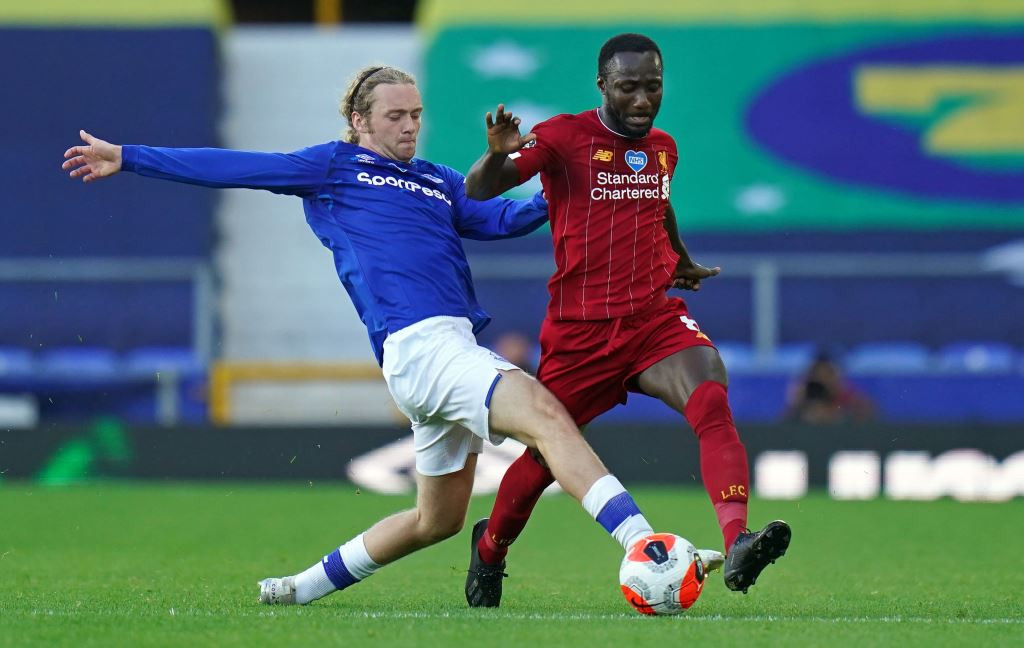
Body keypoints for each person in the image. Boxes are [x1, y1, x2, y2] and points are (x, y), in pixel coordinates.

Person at [62, 64, 721, 606]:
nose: (409, 127)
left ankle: (300, 588)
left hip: (442, 352)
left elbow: (500, 221)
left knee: (437, 521)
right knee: (549, 415)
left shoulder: (435, 180)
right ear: (359, 120)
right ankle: (644, 545)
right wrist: (128, 157)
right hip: (421, 345)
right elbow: (235, 165)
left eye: (415, 115)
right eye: (395, 117)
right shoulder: (333, 168)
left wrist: (570, 182)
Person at [462, 34, 791, 605]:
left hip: (652, 320)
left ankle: (738, 541)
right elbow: (479, 191)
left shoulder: (663, 146)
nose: (643, 100)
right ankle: (489, 549)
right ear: (602, 86)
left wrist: (679, 258)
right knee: (544, 460)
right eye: (629, 88)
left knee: (711, 396)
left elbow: (658, 201)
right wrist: (496, 152)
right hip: (581, 332)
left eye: (653, 87)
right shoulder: (564, 137)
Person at [785, 352, 875, 424]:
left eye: (827, 375)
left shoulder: (849, 399)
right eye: (818, 375)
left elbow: (871, 420)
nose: (822, 380)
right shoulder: (803, 400)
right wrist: (797, 406)